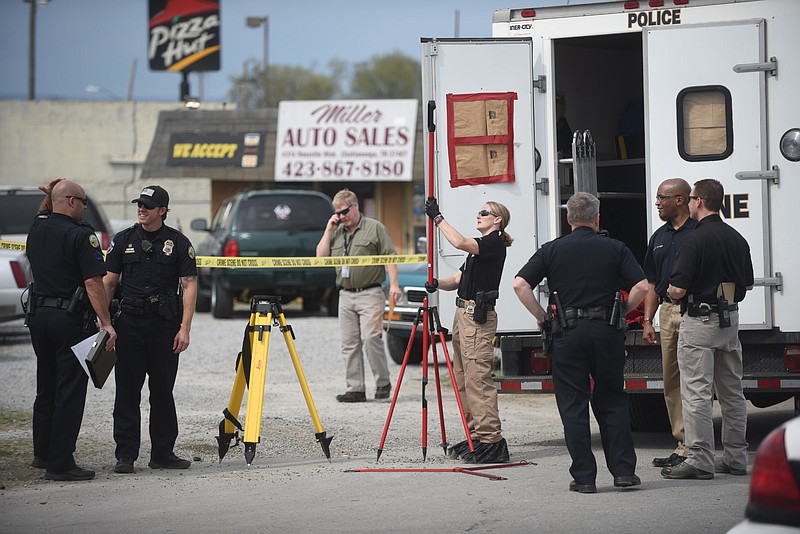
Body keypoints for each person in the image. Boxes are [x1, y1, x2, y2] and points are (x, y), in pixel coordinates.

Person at [513, 192, 648, 493]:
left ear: (569, 219)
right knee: (612, 399)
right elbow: (641, 285)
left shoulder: (551, 250)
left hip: (568, 334)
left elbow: (520, 284)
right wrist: (623, 312)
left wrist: (542, 317)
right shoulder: (615, 248)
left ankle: (585, 478)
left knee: (573, 406)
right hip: (606, 332)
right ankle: (624, 472)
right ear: (597, 218)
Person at [661, 179, 754, 480]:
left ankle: (700, 459)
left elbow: (676, 289)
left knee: (696, 392)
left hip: (700, 320)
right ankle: (736, 458)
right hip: (730, 318)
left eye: (690, 199)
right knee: (732, 392)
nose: (688, 203)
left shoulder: (695, 239)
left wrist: (673, 293)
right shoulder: (737, 238)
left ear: (698, 201)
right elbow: (749, 284)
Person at [26, 178, 117, 481]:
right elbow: (93, 283)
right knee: (69, 391)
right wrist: (105, 323)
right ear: (72, 202)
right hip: (68, 321)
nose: (85, 208)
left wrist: (49, 196)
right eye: (83, 202)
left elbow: (43, 213)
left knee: (46, 387)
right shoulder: (81, 237)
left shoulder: (38, 228)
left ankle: (42, 454)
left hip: (39, 318)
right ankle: (60, 463)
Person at [103, 185, 197, 473]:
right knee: (127, 391)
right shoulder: (123, 241)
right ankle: (126, 455)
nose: (141, 209)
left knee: (162, 392)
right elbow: (108, 282)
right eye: (139, 204)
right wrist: (105, 324)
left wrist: (185, 329)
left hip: (164, 326)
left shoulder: (178, 243)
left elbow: (190, 284)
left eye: (147, 205)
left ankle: (162, 453)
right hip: (129, 324)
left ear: (163, 210)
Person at [423, 198, 513, 464]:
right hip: (462, 313)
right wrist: (437, 283)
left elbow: (460, 241)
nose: (479, 214)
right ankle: (475, 434)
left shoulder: (493, 243)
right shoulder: (478, 250)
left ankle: (491, 441)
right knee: (462, 377)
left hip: (477, 316)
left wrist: (438, 218)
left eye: (485, 212)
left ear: (497, 220)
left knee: (477, 378)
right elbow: (458, 280)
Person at [316, 189, 401, 403]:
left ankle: (383, 382)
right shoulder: (337, 231)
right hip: (345, 294)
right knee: (349, 343)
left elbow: (389, 256)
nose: (341, 216)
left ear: (355, 206)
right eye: (338, 213)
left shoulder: (375, 228)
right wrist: (328, 230)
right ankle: (355, 388)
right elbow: (321, 257)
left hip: (370, 292)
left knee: (371, 338)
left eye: (344, 211)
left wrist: (395, 285)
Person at [642, 178, 697, 469]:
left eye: (662, 198)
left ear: (680, 200)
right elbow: (651, 281)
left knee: (696, 382)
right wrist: (648, 320)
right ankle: (682, 444)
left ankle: (698, 447)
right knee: (672, 381)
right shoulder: (659, 236)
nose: (657, 203)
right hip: (666, 310)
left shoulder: (698, 232)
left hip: (694, 311)